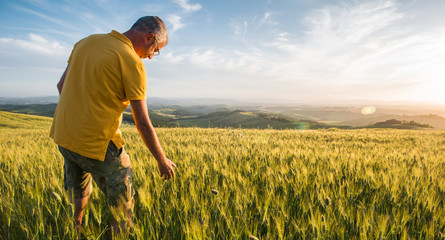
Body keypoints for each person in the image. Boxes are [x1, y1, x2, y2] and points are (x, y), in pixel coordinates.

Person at [49, 16, 176, 238]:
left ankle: (74, 233)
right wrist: (161, 160)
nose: (151, 57)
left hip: (65, 136)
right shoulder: (132, 62)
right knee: (124, 207)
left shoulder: (85, 42)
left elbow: (61, 86)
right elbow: (142, 123)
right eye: (155, 50)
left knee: (76, 190)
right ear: (149, 38)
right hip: (99, 145)